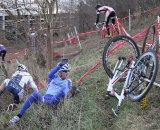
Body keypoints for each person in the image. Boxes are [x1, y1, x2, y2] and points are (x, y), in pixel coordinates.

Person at [8, 58, 76, 125]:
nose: (65, 73)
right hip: (44, 99)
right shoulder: (54, 78)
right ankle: (18, 116)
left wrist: (72, 92)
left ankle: (54, 104)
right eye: (63, 71)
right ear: (59, 72)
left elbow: (65, 92)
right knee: (35, 94)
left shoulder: (68, 82)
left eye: (66, 71)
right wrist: (60, 65)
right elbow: (50, 74)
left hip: (55, 100)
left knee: (63, 90)